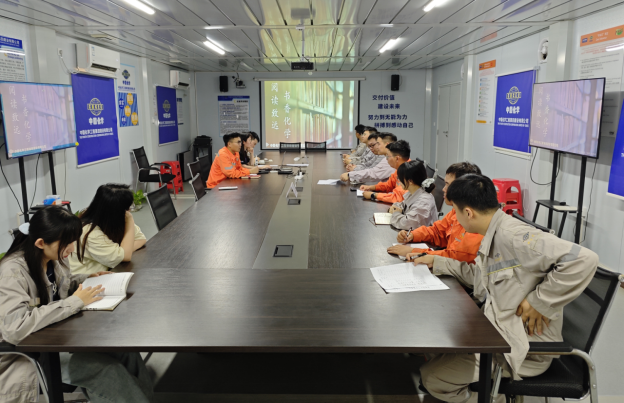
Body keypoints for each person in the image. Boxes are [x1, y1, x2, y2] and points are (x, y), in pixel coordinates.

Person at [411, 175, 598, 403]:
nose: (455, 218)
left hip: (522, 350)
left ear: (468, 213)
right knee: (437, 346)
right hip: (498, 332)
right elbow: (481, 277)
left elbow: (584, 259)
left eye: (456, 212)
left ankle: (494, 399)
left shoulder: (513, 236)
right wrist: (437, 262)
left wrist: (539, 301)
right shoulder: (494, 231)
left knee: (433, 378)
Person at [0, 207, 154, 403]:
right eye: (67, 243)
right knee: (107, 371)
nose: (72, 248)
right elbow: (14, 329)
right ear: (40, 243)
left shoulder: (51, 258)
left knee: (125, 351)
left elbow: (59, 285)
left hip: (56, 340)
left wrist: (87, 278)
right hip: (28, 355)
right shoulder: (12, 272)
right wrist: (75, 302)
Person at [387, 162, 483, 262]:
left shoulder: (473, 221)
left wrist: (414, 252)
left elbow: (455, 257)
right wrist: (413, 235)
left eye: (448, 185)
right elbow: (438, 231)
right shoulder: (456, 210)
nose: (443, 189)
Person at [68, 184, 147, 275]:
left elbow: (141, 239)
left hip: (105, 272)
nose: (129, 211)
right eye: (128, 207)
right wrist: (130, 221)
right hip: (86, 279)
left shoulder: (111, 221)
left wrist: (124, 250)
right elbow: (125, 256)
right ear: (117, 212)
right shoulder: (90, 232)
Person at [388, 161, 437, 230]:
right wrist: (395, 208)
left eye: (400, 178)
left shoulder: (423, 202)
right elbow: (402, 205)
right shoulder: (415, 192)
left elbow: (406, 224)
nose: (399, 181)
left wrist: (396, 213)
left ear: (410, 181)